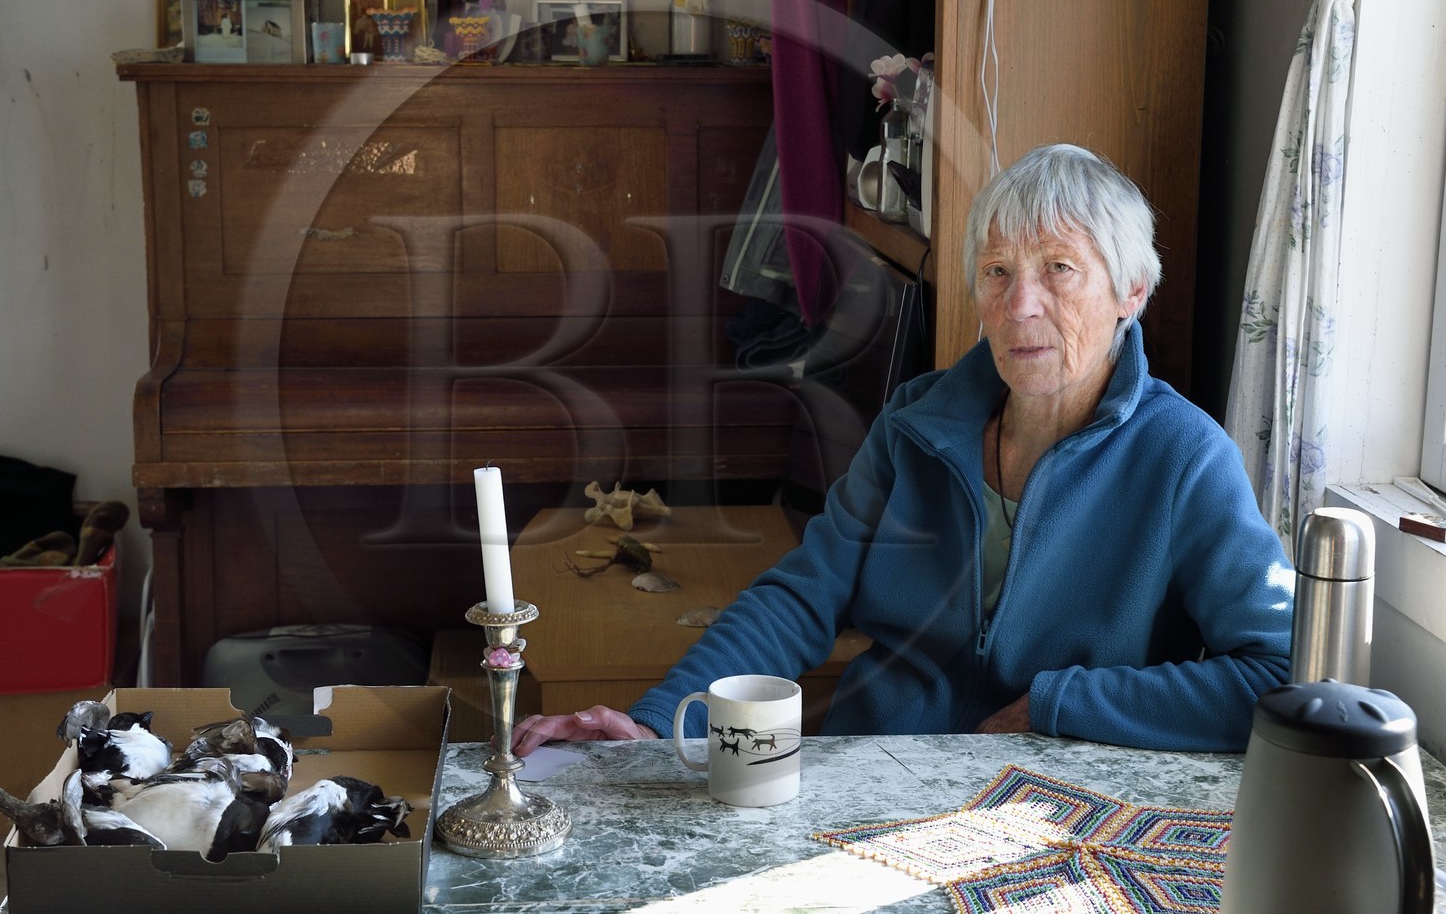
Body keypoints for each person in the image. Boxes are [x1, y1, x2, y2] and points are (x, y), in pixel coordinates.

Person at [512, 143, 1294, 756]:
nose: (1021, 305)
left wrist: (1059, 707)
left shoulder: (1186, 457)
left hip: (1061, 790)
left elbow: (1278, 674)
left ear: (1132, 294)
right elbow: (803, 596)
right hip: (879, 766)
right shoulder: (919, 421)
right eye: (997, 272)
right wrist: (660, 724)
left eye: (1060, 270)